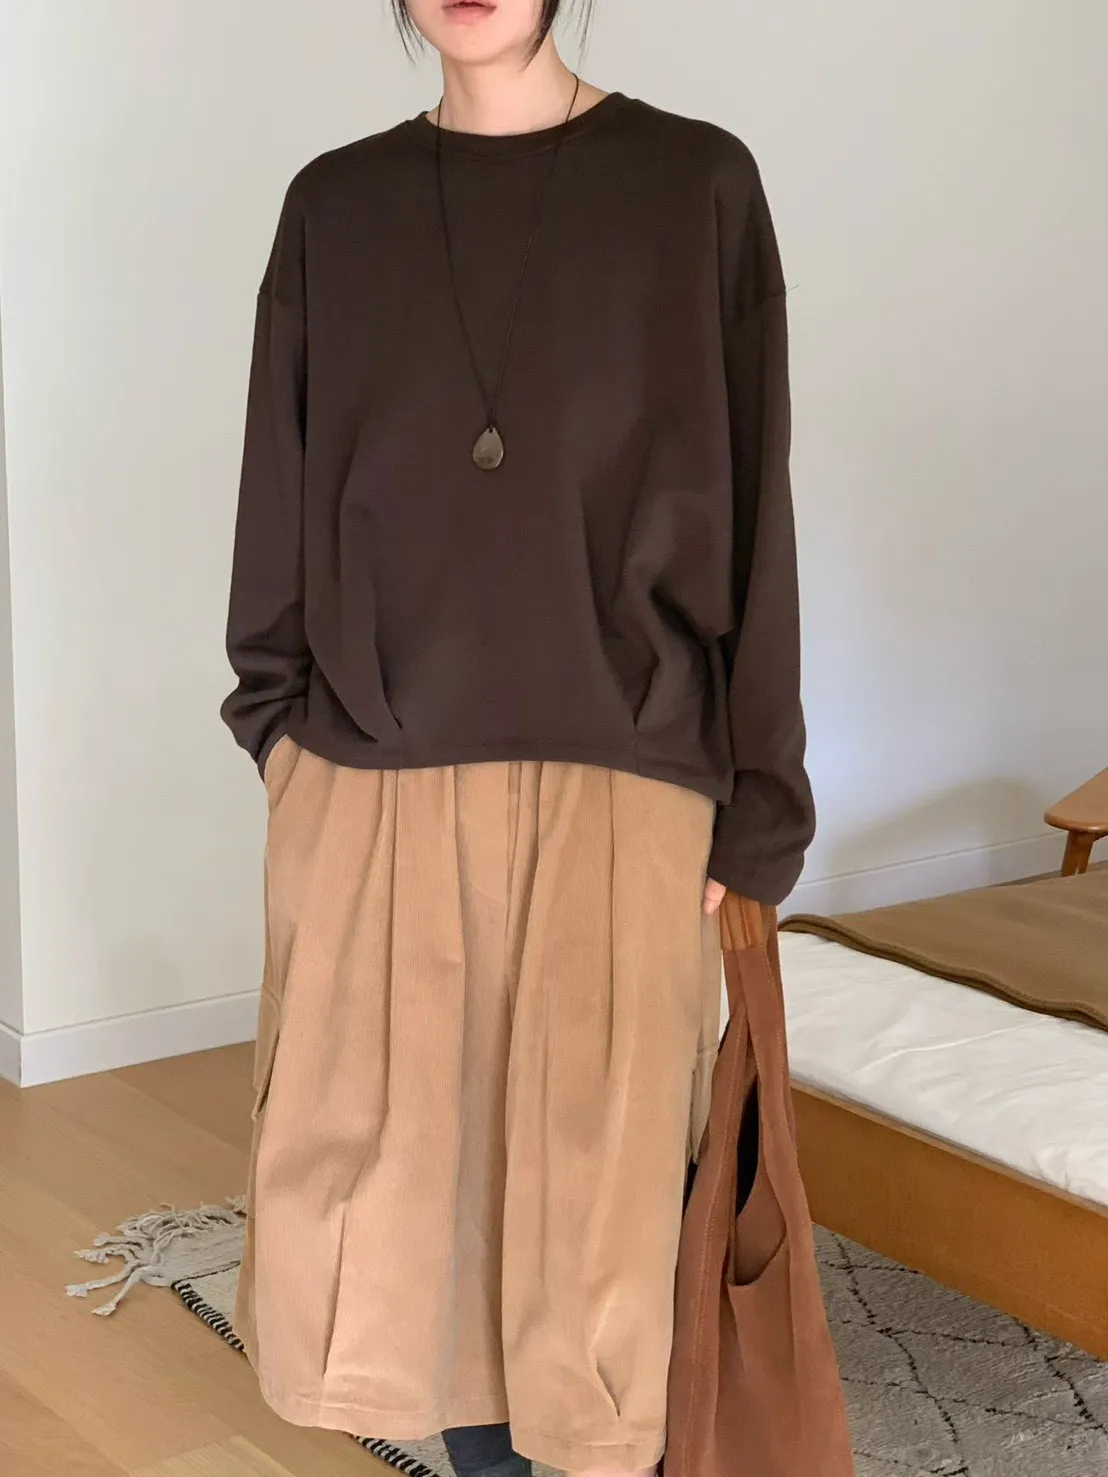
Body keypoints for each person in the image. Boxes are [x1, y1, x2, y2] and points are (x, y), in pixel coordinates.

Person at [221, 2, 815, 1475]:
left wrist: (758, 809)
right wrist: (280, 732)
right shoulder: (336, 206)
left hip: (628, 777)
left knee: (601, 1222)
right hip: (375, 777)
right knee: (409, 1215)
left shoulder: (696, 185)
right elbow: (277, 484)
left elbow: (757, 510)